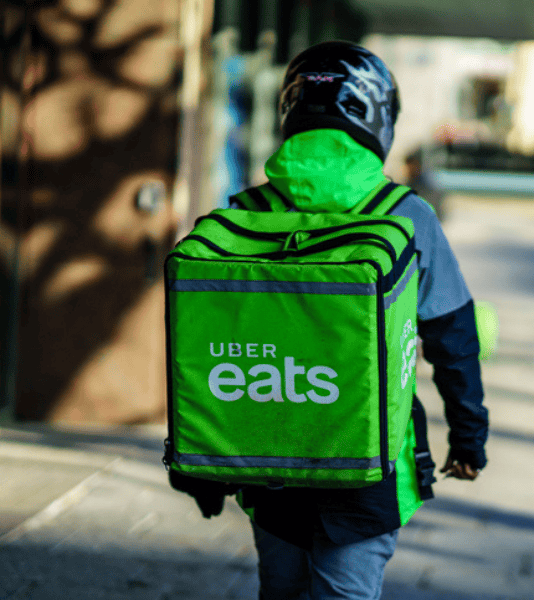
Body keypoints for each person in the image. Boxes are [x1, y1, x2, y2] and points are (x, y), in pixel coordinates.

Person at [171, 41, 489, 599]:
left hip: (268, 462)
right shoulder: (406, 215)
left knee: (281, 589)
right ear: (380, 120)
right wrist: (467, 436)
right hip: (367, 473)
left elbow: (205, 341)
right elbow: (453, 337)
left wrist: (204, 460)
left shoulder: (247, 211)